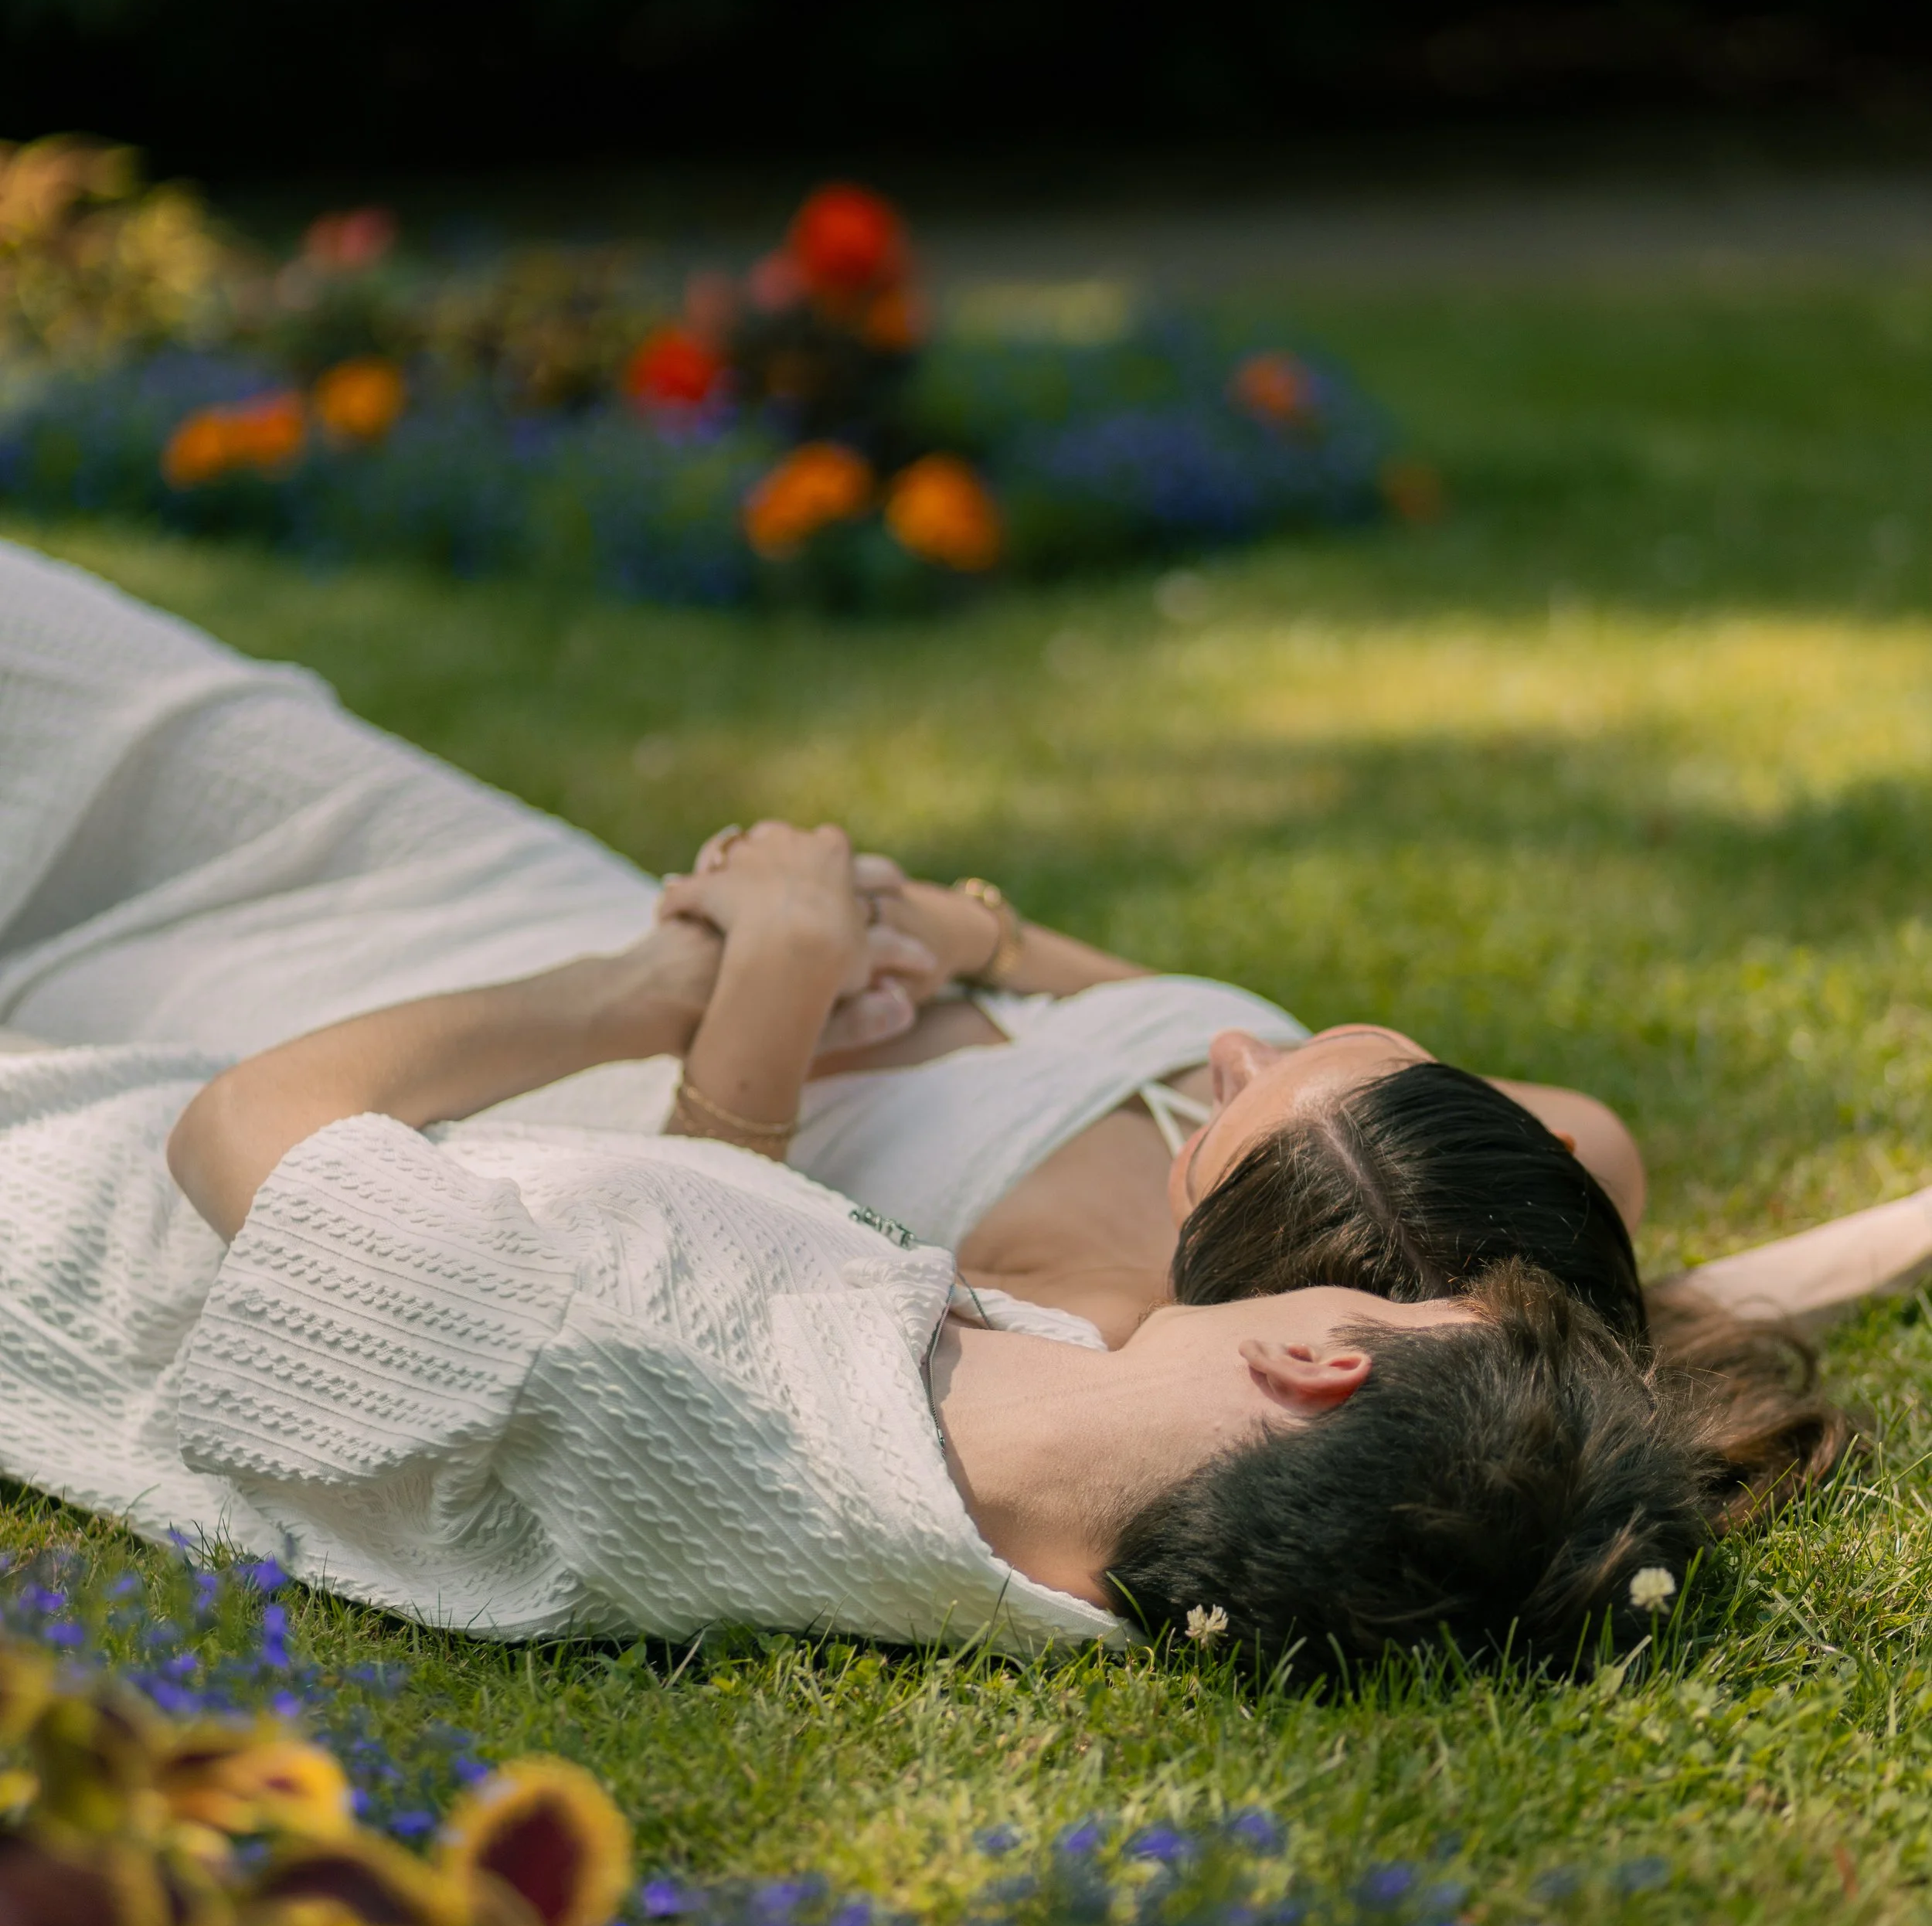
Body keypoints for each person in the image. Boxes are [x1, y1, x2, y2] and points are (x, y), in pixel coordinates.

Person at [0, 539, 1909, 1360]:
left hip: (494, 1028)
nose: (1241, 1044)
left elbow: (685, 1274)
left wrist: (773, 964)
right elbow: (1088, 1004)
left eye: (1241, 1089)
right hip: (546, 893)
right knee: (156, 696)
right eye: (1331, 1042)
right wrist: (946, 925)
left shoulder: (1082, 1319)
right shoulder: (1535, 1164)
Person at [141, 903, 1724, 1669]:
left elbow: (234, 1133)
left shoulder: (632, 1349)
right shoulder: (1056, 1466)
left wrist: (662, 991)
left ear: (1320, 1356)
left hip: (112, 1111)